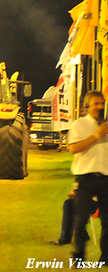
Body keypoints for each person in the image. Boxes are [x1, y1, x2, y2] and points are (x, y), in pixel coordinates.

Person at [68, 90, 108, 264]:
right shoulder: (79, 125)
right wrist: (96, 135)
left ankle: (105, 258)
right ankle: (79, 257)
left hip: (106, 178)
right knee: (81, 219)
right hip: (86, 178)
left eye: (102, 103)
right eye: (96, 104)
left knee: (107, 221)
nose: (100, 107)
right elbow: (73, 149)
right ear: (87, 107)